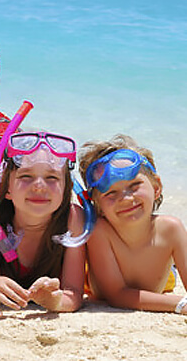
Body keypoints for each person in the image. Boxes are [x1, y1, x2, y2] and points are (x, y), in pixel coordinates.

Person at [0, 126, 87, 317]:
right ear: (7, 189)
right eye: (26, 176)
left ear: (66, 189)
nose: (39, 185)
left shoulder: (73, 219)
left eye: (51, 177)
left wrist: (53, 300)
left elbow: (74, 293)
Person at [79, 134, 187, 314]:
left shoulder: (171, 229)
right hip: (100, 278)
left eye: (135, 185)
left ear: (156, 187)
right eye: (110, 193)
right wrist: (180, 304)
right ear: (96, 203)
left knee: (171, 276)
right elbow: (117, 295)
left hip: (166, 277)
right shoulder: (100, 231)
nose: (126, 198)